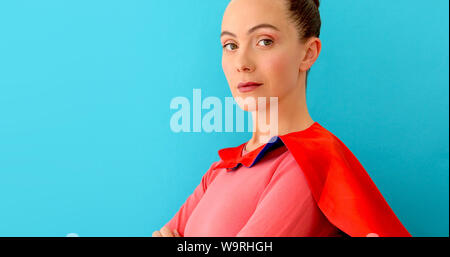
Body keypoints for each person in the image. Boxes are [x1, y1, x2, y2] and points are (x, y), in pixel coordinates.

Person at [153, 0, 411, 237]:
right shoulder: (220, 171)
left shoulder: (309, 164)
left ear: (308, 53)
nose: (241, 63)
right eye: (230, 45)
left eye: (264, 41)